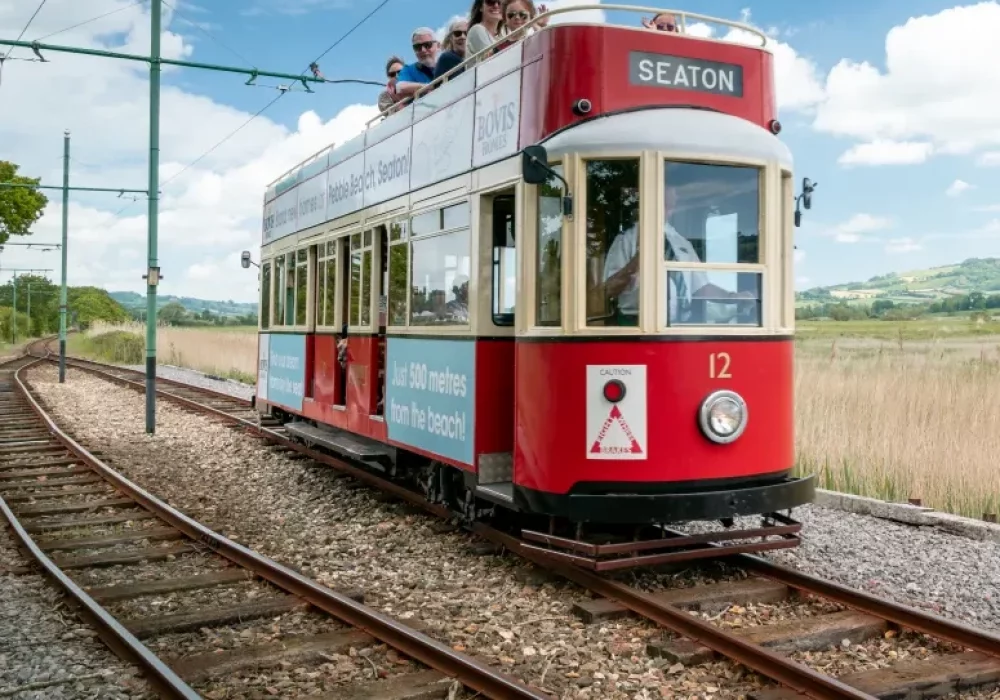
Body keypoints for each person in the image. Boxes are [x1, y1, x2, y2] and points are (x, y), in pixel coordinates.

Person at [602, 184, 753, 325]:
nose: (667, 210)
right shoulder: (626, 240)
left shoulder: (681, 242)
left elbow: (700, 287)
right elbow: (609, 290)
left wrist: (733, 297)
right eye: (664, 204)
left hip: (679, 325)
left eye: (671, 205)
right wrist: (637, 261)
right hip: (636, 325)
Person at [395, 27, 440, 99]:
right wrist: (431, 86)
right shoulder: (408, 70)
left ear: (438, 46)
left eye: (428, 45)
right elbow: (400, 88)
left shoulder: (446, 64)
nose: (423, 50)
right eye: (417, 47)